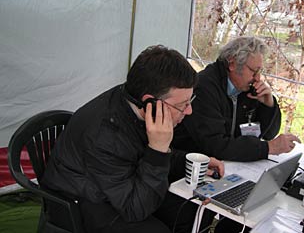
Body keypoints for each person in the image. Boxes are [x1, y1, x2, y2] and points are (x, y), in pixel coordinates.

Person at [41, 45, 224, 233]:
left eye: (189, 101)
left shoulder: (134, 103)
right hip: (83, 202)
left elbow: (137, 154)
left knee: (193, 208)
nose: (189, 111)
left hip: (117, 184)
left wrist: (190, 161)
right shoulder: (105, 136)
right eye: (182, 105)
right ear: (150, 102)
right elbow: (135, 210)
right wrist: (158, 149)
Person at [173, 36, 300, 162]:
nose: (257, 78)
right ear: (232, 64)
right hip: (195, 167)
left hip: (232, 163)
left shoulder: (248, 89)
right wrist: (267, 148)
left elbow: (268, 134)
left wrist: (269, 105)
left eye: (260, 71)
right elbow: (215, 145)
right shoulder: (204, 88)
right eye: (253, 71)